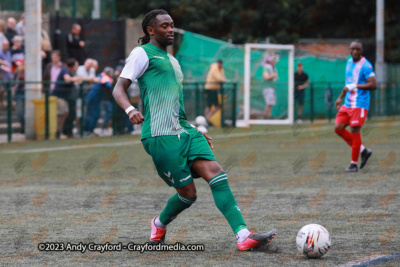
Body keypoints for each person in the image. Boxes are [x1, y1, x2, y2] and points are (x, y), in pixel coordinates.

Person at [112, 9, 277, 251]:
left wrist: (192, 127)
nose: (170, 30)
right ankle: (158, 223)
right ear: (150, 30)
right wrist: (130, 111)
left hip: (184, 131)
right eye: (164, 26)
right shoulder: (142, 53)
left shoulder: (174, 61)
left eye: (172, 25)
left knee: (217, 173)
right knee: (188, 195)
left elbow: (175, 105)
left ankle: (243, 235)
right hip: (160, 136)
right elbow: (118, 88)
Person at [334, 41, 376, 172]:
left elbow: (373, 84)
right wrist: (340, 96)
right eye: (353, 49)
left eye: (358, 49)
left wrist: (357, 86)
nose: (355, 51)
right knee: (338, 128)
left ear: (362, 51)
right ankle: (363, 151)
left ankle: (353, 164)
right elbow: (348, 83)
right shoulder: (348, 62)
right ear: (349, 50)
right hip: (347, 103)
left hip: (359, 104)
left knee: (354, 132)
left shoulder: (366, 65)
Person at [52, 58, 82, 139]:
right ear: (72, 65)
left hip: (65, 97)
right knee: (61, 113)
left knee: (65, 113)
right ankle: (56, 132)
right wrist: (77, 78)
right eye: (76, 66)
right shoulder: (65, 69)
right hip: (59, 96)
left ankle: (59, 131)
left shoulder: (71, 71)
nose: (77, 67)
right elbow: (67, 79)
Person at [85, 67, 113, 136]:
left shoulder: (100, 75)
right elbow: (109, 85)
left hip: (92, 97)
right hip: (94, 98)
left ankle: (88, 130)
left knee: (90, 114)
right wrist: (111, 83)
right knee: (95, 115)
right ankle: (89, 131)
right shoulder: (105, 77)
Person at [0, 40, 13, 110]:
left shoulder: (8, 52)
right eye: (4, 45)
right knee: (1, 90)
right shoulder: (0, 52)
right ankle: (1, 103)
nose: (5, 47)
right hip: (2, 75)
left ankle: (9, 104)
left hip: (9, 75)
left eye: (6, 45)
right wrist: (2, 62)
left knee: (9, 90)